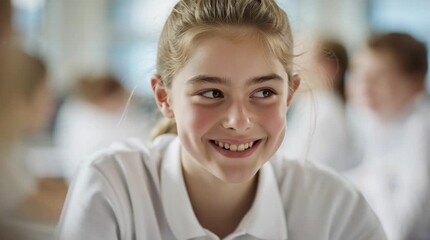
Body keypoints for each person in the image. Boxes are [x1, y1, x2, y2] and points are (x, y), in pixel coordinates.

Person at [56, 1, 387, 239]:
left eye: (264, 92)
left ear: (289, 95)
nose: (239, 121)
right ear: (164, 98)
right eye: (212, 93)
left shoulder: (335, 207)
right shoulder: (113, 188)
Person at [346, 32, 430, 240]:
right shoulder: (376, 122)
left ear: (416, 82)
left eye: (380, 77)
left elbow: (398, 232)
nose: (364, 87)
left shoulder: (422, 129)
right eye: (358, 74)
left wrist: (370, 179)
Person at [54, 73, 154, 183]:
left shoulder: (77, 113)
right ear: (108, 97)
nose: (125, 102)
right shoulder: (86, 121)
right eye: (121, 98)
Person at [282, 38, 356, 171]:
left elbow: (303, 170)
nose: (295, 67)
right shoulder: (313, 104)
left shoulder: (324, 112)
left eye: (305, 59)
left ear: (330, 69)